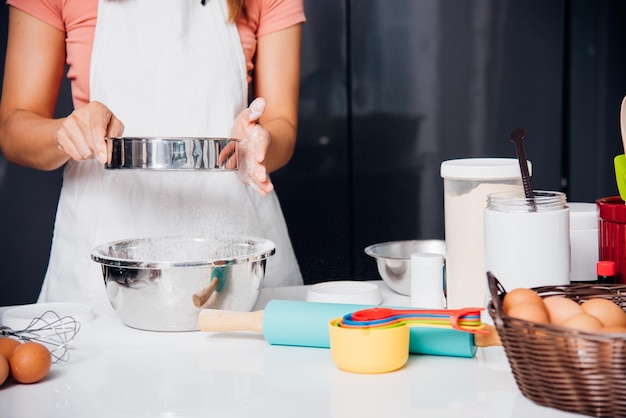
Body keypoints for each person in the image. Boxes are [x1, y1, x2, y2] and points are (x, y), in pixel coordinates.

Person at [0, 0, 304, 310]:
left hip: (234, 251)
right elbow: (13, 129)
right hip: (103, 255)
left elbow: (282, 125)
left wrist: (258, 145)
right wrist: (66, 133)